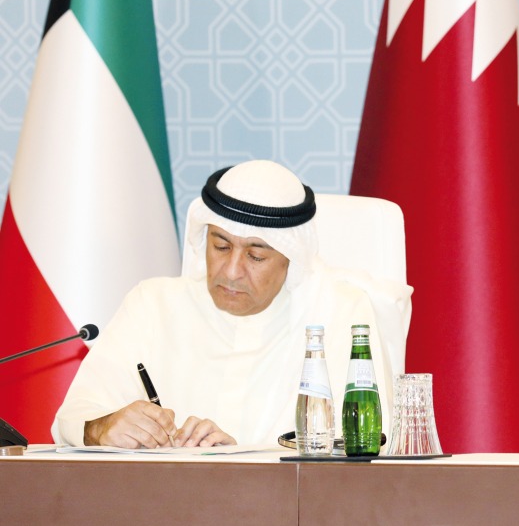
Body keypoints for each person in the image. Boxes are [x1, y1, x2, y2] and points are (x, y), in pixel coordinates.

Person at [52, 160, 398, 448]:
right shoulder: (152, 305)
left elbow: (368, 444)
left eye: (256, 256)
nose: (231, 271)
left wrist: (238, 461)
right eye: (220, 246)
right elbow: (71, 419)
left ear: (291, 259)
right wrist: (102, 427)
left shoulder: (340, 313)